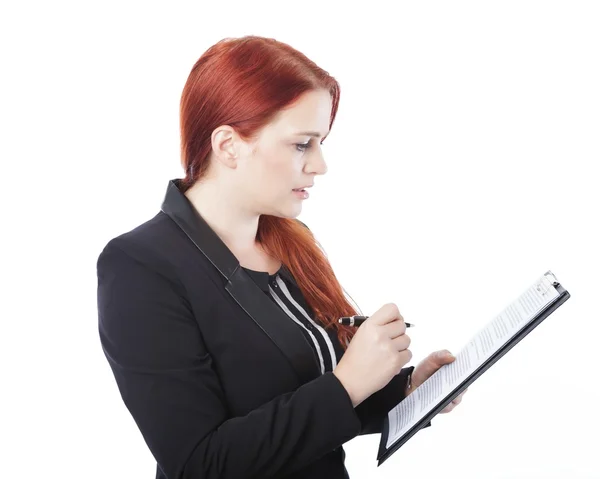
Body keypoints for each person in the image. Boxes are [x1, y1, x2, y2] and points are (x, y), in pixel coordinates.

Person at [96, 35, 467, 479]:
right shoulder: (140, 267)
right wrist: (347, 384)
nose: (320, 165)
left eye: (321, 142)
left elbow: (306, 395)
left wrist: (407, 390)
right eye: (301, 144)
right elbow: (199, 464)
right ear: (229, 145)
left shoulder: (290, 242)